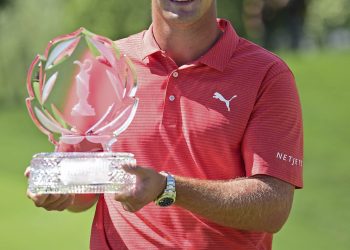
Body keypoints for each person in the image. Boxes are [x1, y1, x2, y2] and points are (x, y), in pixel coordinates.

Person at [27, 0, 303, 249]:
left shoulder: (267, 75)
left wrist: (168, 188)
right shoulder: (108, 64)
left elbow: (273, 207)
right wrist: (61, 190)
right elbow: (85, 192)